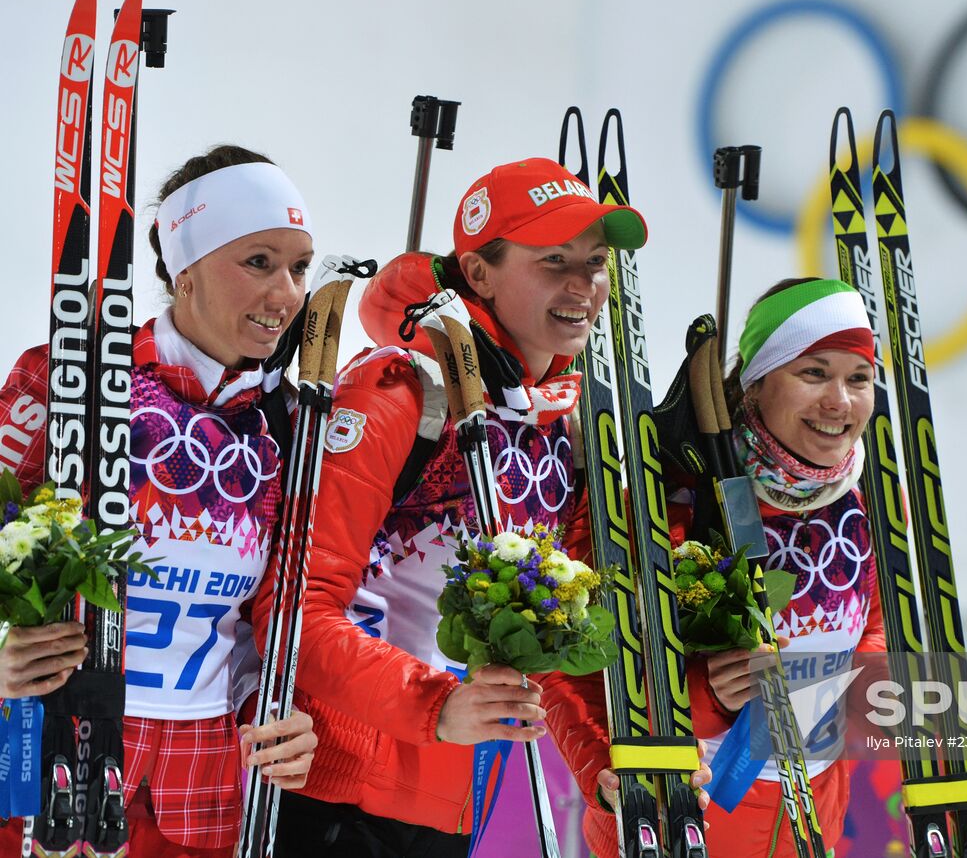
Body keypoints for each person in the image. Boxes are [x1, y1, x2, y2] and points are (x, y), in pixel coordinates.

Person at [265, 157, 710, 857]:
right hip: (330, 791)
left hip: (455, 794)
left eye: (594, 265)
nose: (582, 287)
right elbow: (297, 612)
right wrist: (433, 705)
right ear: (478, 274)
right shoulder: (399, 397)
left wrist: (607, 765)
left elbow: (544, 652)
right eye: (553, 262)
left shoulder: (563, 431)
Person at [0, 145, 319, 858]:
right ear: (184, 266)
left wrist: (274, 706)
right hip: (57, 737)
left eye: (299, 267)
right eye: (259, 261)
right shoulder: (67, 377)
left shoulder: (290, 424)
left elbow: (275, 611)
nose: (287, 295)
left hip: (204, 762)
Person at [546, 277, 885, 857]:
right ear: (754, 386)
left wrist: (845, 689)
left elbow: (875, 627)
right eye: (813, 373)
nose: (840, 401)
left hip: (810, 820)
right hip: (684, 819)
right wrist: (708, 697)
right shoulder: (664, 506)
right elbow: (572, 669)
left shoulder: (870, 503)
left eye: (858, 378)